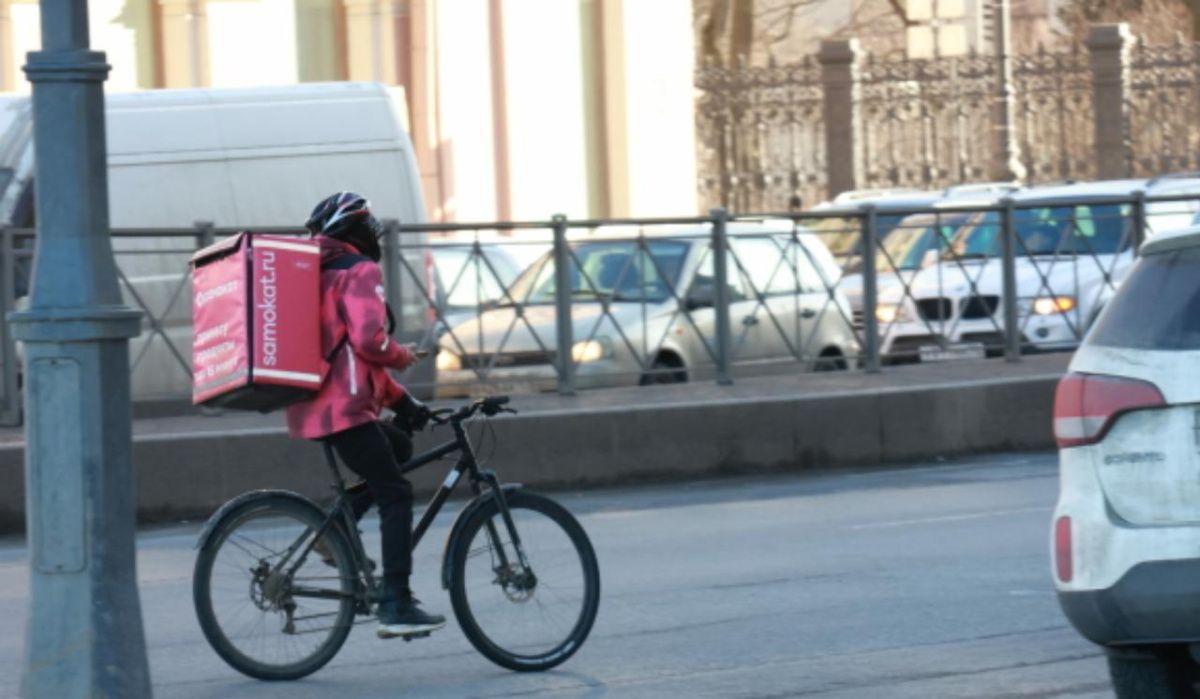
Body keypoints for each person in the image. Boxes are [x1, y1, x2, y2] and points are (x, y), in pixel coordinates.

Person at [286, 191, 446, 639]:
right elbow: (370, 344)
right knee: (396, 494)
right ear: (354, 231)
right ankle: (396, 602)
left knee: (397, 445)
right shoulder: (360, 271)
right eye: (368, 225)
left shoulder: (313, 274)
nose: (374, 234)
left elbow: (346, 359)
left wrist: (404, 405)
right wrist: (402, 356)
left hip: (313, 406)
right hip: (346, 410)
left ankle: (333, 530)